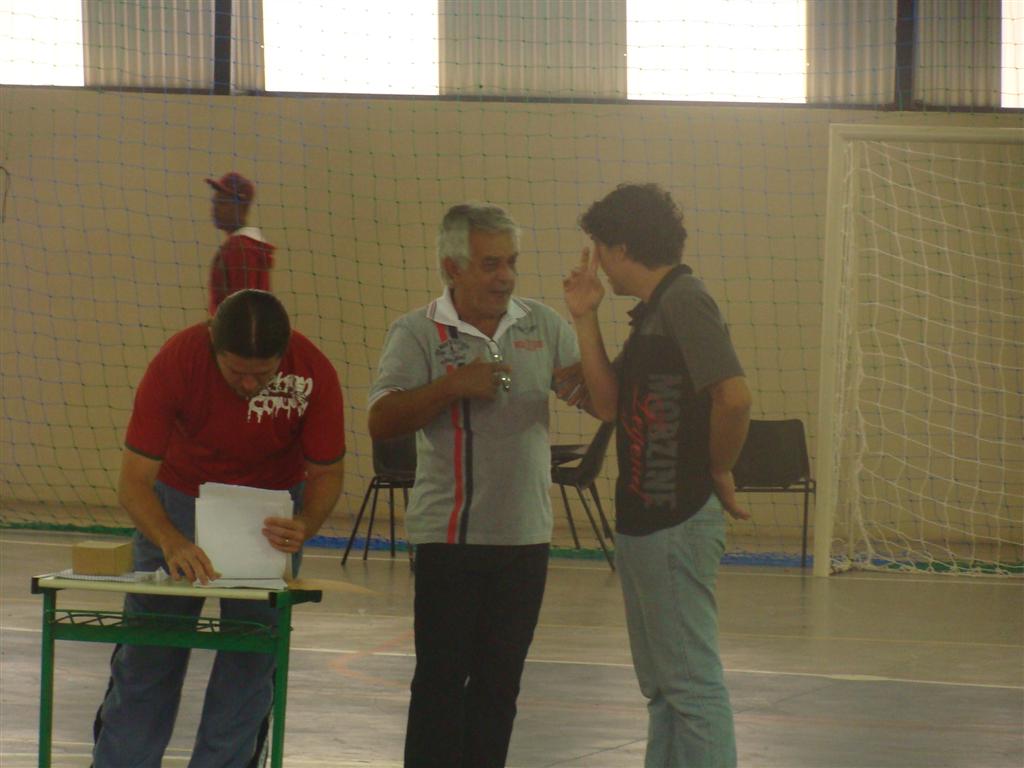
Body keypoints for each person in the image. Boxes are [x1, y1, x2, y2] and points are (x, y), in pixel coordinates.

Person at [367, 203, 583, 768]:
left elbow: (597, 399)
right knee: (440, 686)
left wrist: (586, 320)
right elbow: (381, 421)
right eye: (491, 264)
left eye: (511, 262)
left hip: (525, 540)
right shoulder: (416, 331)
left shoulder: (542, 324)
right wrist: (452, 385)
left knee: (499, 689)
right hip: (449, 540)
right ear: (452, 267)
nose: (505, 277)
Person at [92, 289, 346, 767]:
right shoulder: (177, 360)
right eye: (235, 372)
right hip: (177, 504)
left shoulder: (314, 372)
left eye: (263, 374)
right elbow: (133, 483)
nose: (249, 385)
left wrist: (305, 524)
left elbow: (328, 472)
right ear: (212, 343)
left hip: (269, 517)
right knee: (149, 654)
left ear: (285, 352)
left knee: (251, 661)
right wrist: (170, 540)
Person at [563, 183, 751, 768]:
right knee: (663, 689)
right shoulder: (652, 314)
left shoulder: (685, 301)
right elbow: (607, 404)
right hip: (644, 520)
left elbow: (734, 397)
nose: (598, 261)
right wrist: (585, 318)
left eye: (600, 248)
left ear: (620, 247)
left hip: (677, 520)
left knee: (690, 685)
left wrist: (718, 466)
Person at [207, 172, 276, 315]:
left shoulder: (239, 247)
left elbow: (242, 308)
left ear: (241, 207)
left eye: (222, 202)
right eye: (214, 202)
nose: (214, 208)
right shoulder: (246, 245)